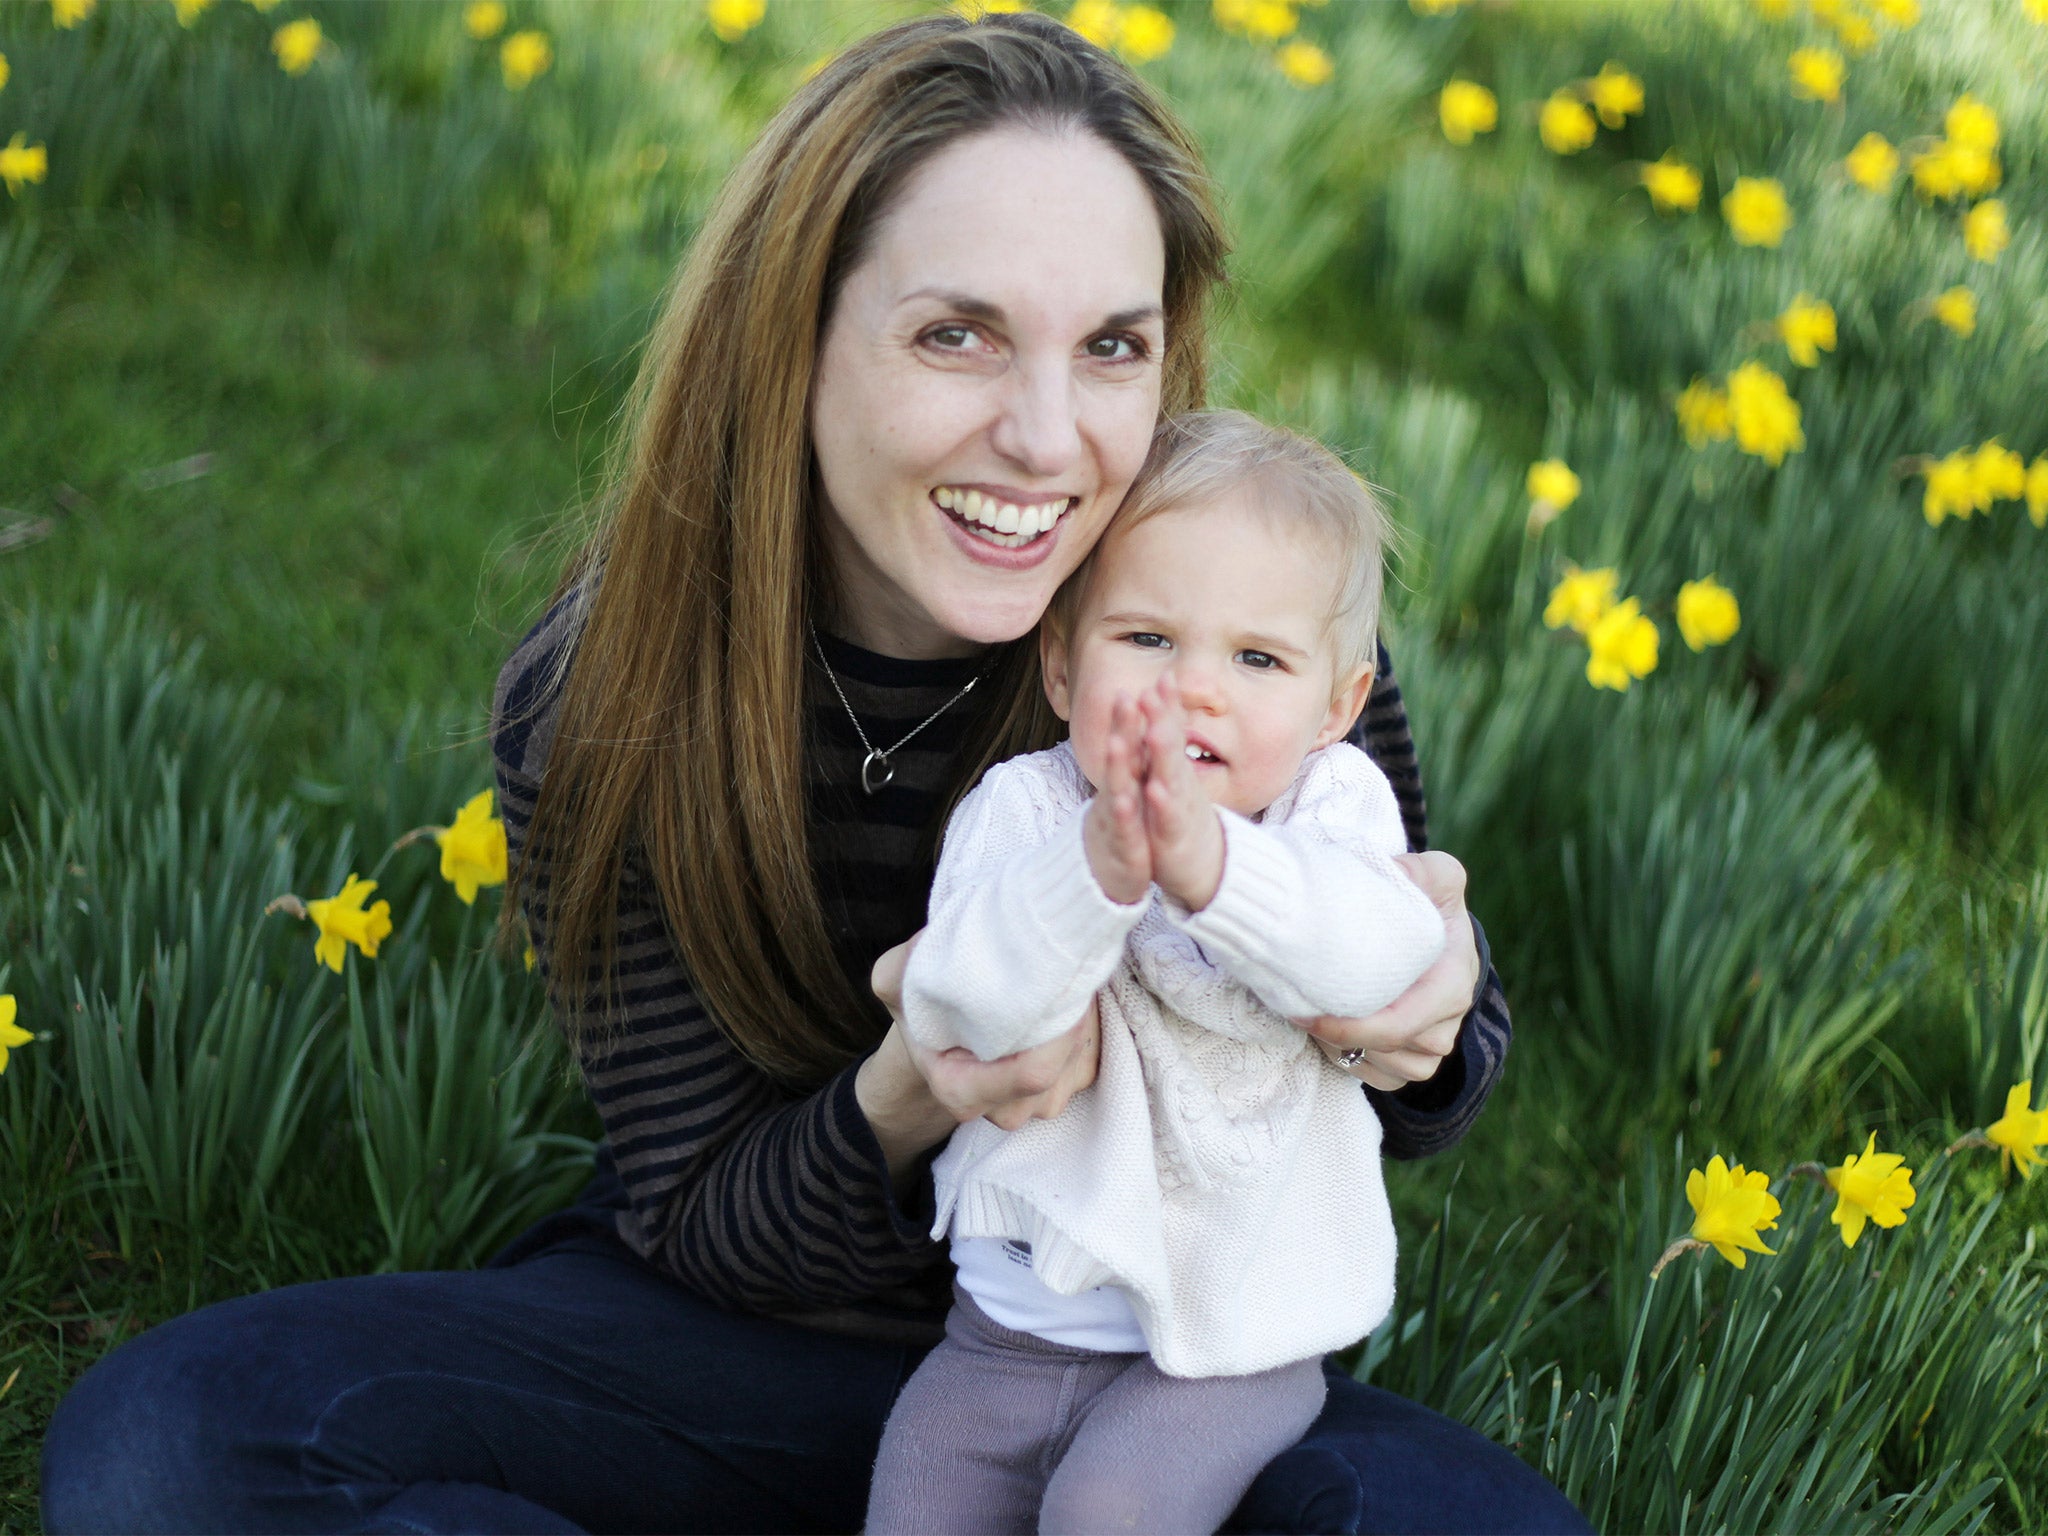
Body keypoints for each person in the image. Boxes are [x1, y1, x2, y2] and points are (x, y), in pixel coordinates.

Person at [39, 13, 1587, 1533]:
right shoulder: (620, 687)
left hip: (1156, 1363)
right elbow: (706, 1224)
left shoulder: (1230, 626)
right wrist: (916, 1084)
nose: (1048, 439)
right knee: (170, 1447)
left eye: (1111, 347)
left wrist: (1430, 1013)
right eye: (954, 334)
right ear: (796, 340)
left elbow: (1424, 1090)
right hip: (728, 1352)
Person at [866, 410, 1450, 1536]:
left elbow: (1380, 953)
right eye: (1144, 640)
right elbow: (968, 999)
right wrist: (1097, 873)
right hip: (1006, 1333)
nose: (1193, 689)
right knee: (917, 1499)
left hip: (1236, 1341)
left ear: (1336, 704)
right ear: (1058, 662)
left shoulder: (1331, 807)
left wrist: (1213, 865)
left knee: (1108, 1512)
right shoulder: (1027, 810)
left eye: (1255, 658)